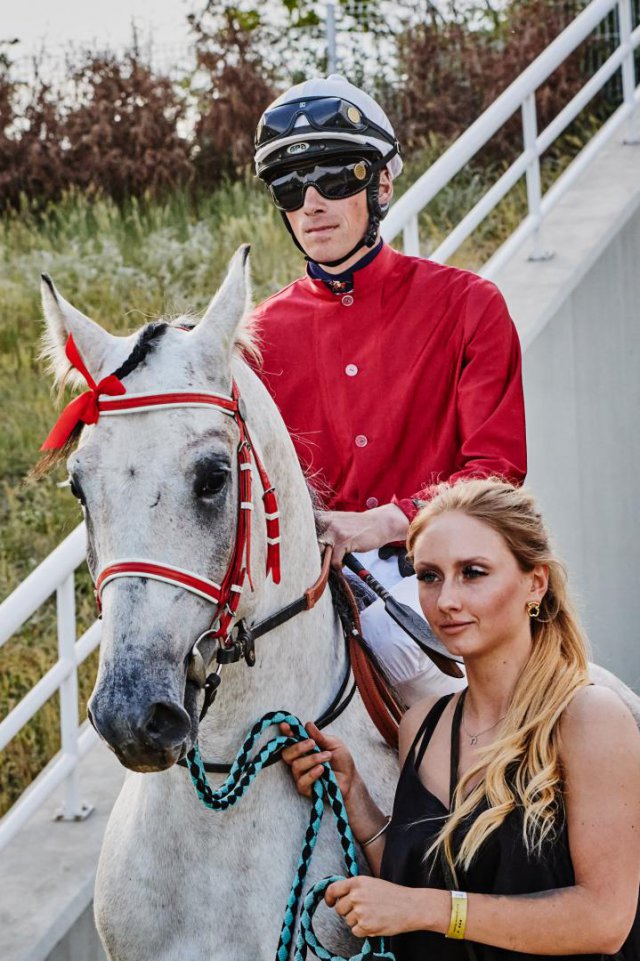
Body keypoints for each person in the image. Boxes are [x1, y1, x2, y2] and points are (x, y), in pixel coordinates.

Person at [281, 477, 640, 959]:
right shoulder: (423, 725)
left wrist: (425, 909)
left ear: (535, 583)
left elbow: (602, 919)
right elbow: (420, 879)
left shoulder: (587, 717)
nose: (446, 600)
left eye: (473, 572)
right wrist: (355, 797)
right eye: (429, 576)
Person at [252, 74, 527, 704]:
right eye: (290, 188)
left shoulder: (470, 305)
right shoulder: (256, 337)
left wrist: (382, 522)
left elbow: (497, 470)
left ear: (381, 183)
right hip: (309, 595)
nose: (312, 203)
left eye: (337, 177)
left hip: (440, 581)